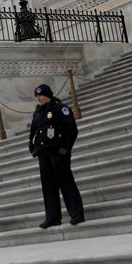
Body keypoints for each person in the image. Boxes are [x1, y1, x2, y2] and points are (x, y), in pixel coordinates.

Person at [29, 84, 85, 228]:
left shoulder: (60, 109)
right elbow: (34, 132)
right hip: (43, 154)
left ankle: (76, 214)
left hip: (58, 152)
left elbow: (71, 130)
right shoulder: (38, 113)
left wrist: (65, 149)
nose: (38, 98)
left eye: (41, 95)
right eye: (37, 96)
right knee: (48, 186)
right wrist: (32, 147)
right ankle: (52, 217)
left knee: (66, 182)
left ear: (48, 95)